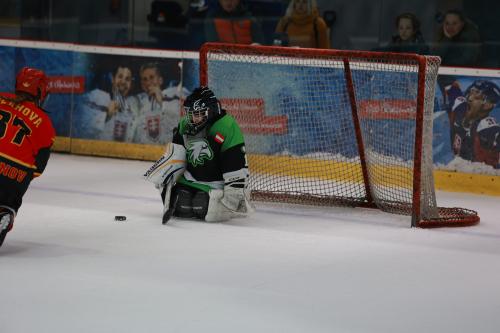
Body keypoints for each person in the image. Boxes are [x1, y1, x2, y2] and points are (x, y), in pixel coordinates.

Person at [144, 86, 252, 223]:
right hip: (190, 180)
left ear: (211, 111)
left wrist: (234, 196)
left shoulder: (227, 126)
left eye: (198, 114)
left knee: (200, 205)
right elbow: (176, 155)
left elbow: (235, 163)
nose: (193, 119)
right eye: (190, 114)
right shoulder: (185, 124)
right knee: (182, 204)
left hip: (216, 184)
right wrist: (165, 175)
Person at [0, 67, 55, 247]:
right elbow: (39, 167)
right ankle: (5, 211)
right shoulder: (44, 122)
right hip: (14, 173)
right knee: (9, 198)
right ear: (41, 92)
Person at [445, 79, 500, 168]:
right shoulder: (460, 106)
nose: (469, 98)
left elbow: (495, 134)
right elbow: (449, 85)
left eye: (476, 97)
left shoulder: (486, 127)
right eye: (470, 93)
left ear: (488, 105)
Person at [132, 62, 188, 145]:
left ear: (160, 80)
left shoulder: (174, 94)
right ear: (142, 85)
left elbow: (183, 123)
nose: (148, 82)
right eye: (145, 79)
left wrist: (162, 102)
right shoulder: (137, 102)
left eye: (151, 77)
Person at [100, 64, 139, 142]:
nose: (123, 82)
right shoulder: (99, 99)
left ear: (131, 84)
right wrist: (106, 115)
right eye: (120, 76)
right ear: (113, 79)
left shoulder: (134, 106)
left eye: (127, 79)